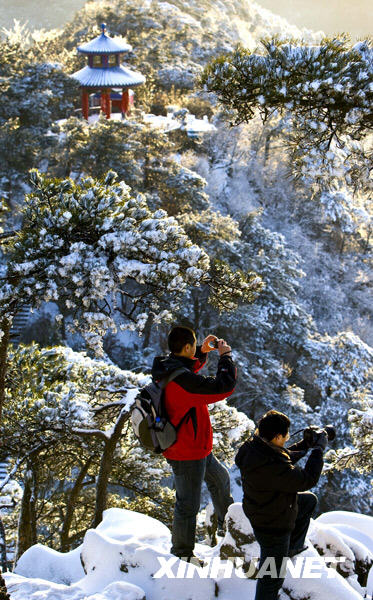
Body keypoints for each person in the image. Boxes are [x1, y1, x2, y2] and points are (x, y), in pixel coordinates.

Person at [151, 325, 237, 561]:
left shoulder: (168, 366)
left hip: (196, 447)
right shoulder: (182, 382)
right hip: (187, 453)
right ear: (186, 347)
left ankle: (229, 529)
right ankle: (182, 554)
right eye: (194, 345)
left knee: (220, 480)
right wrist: (225, 358)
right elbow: (222, 387)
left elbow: (187, 369)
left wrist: (201, 350)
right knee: (187, 505)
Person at [235, 409, 327, 600]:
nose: (287, 438)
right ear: (277, 437)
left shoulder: (254, 447)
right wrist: (318, 451)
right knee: (271, 577)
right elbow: (306, 479)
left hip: (262, 507)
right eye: (285, 435)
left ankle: (290, 549)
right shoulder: (272, 467)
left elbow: (281, 458)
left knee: (308, 501)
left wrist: (304, 445)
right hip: (273, 525)